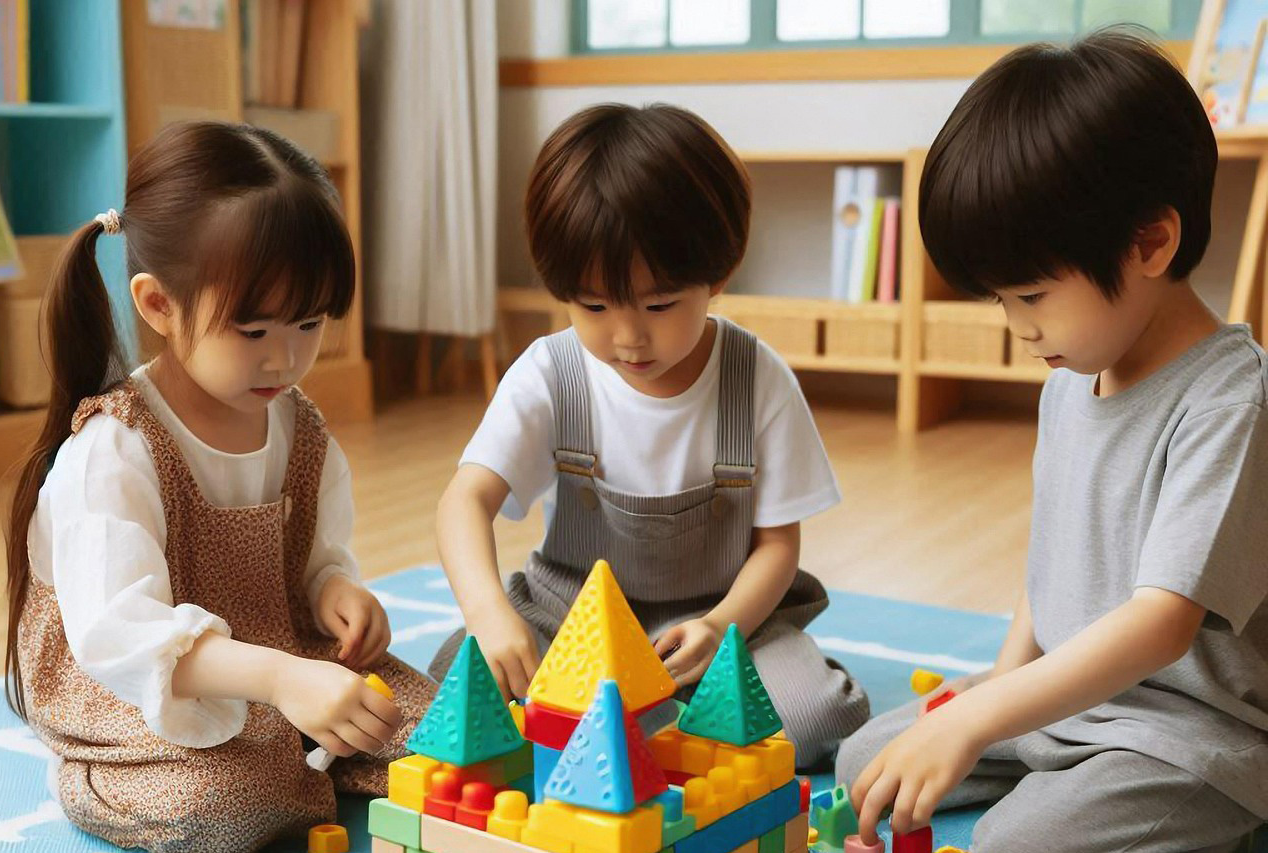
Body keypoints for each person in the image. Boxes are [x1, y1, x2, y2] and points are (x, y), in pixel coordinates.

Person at [836, 32, 1268, 851]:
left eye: (1031, 295)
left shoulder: (1230, 400)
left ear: (1150, 243)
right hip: (1069, 698)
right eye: (1000, 300)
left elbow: (1162, 624)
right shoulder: (1071, 378)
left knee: (1011, 840)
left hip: (1182, 735)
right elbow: (1053, 562)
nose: (1018, 326)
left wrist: (982, 716)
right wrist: (1001, 688)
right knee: (869, 763)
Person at [3, 121, 438, 853]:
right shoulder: (116, 447)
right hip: (144, 684)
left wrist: (335, 592)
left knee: (435, 736)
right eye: (254, 330)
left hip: (278, 653)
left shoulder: (299, 426)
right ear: (159, 306)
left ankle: (292, 745)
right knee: (230, 806)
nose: (286, 358)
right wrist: (283, 679)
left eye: (308, 323)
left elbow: (316, 557)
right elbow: (121, 635)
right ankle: (91, 773)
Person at [431, 103, 869, 769]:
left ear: (717, 275)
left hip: (719, 618)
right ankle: (662, 723)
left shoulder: (756, 379)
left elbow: (779, 546)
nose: (629, 337)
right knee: (457, 686)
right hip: (570, 613)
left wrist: (720, 626)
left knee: (815, 716)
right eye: (594, 306)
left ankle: (649, 715)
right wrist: (488, 612)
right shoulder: (551, 372)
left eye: (659, 305)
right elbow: (463, 500)